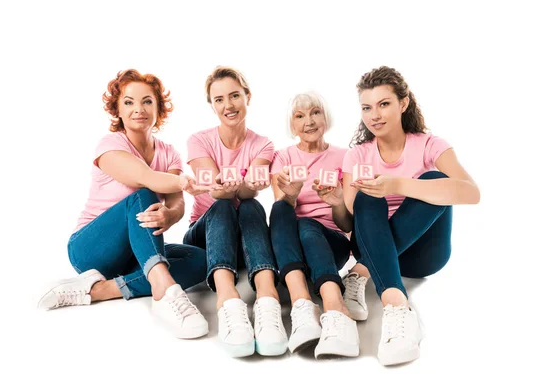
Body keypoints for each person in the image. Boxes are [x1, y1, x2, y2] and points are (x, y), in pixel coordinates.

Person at [38, 69, 211, 340]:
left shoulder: (168, 153)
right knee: (144, 195)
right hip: (92, 249)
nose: (138, 109)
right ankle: (164, 291)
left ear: (158, 108)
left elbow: (177, 204)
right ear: (117, 109)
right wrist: (184, 183)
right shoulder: (110, 145)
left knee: (202, 259)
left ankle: (99, 290)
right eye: (129, 102)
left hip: (137, 252)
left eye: (147, 101)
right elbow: (147, 178)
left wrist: (169, 215)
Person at [324, 66, 480, 365]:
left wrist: (396, 184)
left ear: (403, 103)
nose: (375, 115)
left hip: (423, 256)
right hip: (370, 246)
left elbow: (471, 193)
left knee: (435, 179)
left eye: (384, 104)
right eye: (367, 107)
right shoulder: (357, 154)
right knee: (368, 197)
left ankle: (361, 273)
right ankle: (397, 306)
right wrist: (337, 203)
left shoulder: (430, 145)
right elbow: (347, 224)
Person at [182, 66, 287, 357]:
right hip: (205, 233)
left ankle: (267, 300)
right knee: (224, 204)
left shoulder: (263, 144)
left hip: (244, 240)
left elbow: (250, 191)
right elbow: (216, 191)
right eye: (219, 99)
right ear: (212, 105)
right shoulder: (199, 140)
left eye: (234, 96)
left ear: (247, 97)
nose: (228, 105)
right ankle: (228, 300)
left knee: (251, 204)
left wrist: (245, 185)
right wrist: (229, 187)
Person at [270, 91, 367, 358]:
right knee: (282, 210)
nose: (309, 121)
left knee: (308, 225)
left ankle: (335, 307)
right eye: (299, 116)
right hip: (292, 251)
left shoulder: (345, 157)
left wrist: (337, 202)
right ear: (291, 125)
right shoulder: (282, 158)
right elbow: (281, 214)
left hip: (330, 244)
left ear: (326, 117)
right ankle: (303, 304)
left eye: (315, 112)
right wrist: (290, 195)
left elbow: (347, 223)